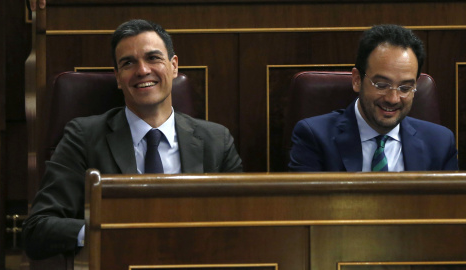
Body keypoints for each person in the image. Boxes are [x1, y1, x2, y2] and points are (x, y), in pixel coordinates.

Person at [23, 19, 243, 260]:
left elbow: (240, 225)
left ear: (173, 66)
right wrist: (106, 232)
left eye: (153, 58)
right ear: (118, 77)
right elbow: (38, 229)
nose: (142, 70)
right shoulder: (83, 137)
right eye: (128, 63)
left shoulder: (216, 141)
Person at [289, 24, 458, 172]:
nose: (393, 99)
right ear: (357, 80)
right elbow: (307, 207)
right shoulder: (314, 137)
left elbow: (448, 207)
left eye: (405, 88)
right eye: (382, 85)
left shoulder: (440, 143)